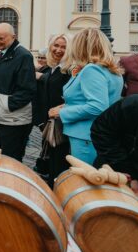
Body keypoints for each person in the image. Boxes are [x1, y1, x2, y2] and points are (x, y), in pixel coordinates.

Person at [48, 28, 123, 165]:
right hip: (97, 133)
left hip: (86, 135)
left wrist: (62, 112)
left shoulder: (92, 69)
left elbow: (97, 106)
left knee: (87, 179)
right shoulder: (109, 69)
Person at [0, 23, 36, 161]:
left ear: (13, 37)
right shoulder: (0, 54)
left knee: (10, 161)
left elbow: (27, 90)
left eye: (0, 38)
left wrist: (6, 106)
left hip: (13, 121)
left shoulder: (24, 56)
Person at [32, 34, 71, 184]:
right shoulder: (54, 67)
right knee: (52, 159)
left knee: (59, 162)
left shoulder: (69, 69)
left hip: (62, 124)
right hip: (51, 122)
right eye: (56, 45)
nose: (58, 50)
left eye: (63, 47)